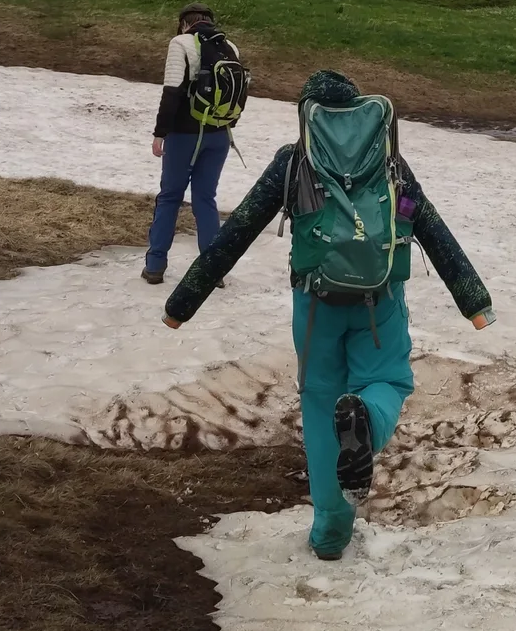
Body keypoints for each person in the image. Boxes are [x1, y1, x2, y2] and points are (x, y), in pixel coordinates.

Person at [161, 69, 493, 561]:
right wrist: (475, 303)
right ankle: (367, 421)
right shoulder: (390, 163)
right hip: (380, 302)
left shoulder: (294, 162)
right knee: (387, 382)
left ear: (309, 115)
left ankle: (330, 534)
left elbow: (239, 230)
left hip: (315, 305)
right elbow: (433, 231)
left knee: (321, 408)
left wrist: (181, 303)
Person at [142, 2, 249, 285]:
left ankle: (155, 266)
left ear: (183, 23)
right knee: (205, 199)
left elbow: (172, 92)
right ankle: (212, 271)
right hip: (220, 135)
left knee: (170, 197)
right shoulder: (230, 47)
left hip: (184, 136)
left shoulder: (180, 43)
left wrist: (160, 132)